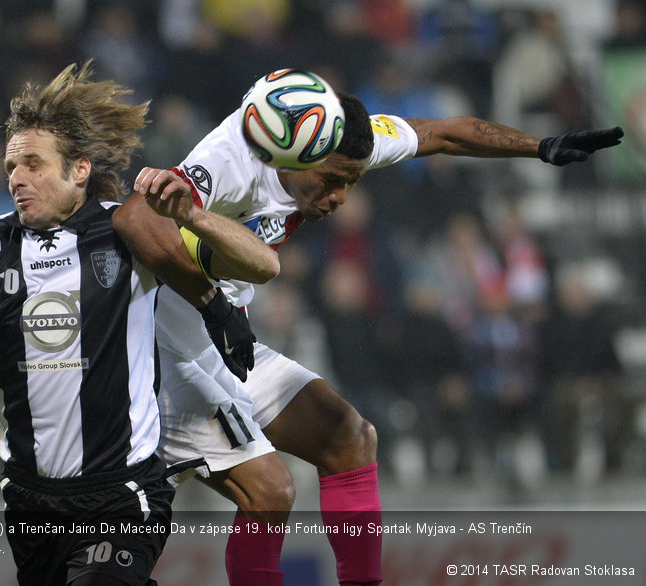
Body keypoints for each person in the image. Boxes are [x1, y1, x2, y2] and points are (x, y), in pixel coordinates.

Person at [117, 83, 624, 586]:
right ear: (294, 157)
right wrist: (212, 305)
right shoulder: (234, 157)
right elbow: (135, 218)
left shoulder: (339, 142)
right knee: (269, 492)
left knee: (349, 437)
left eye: (353, 182)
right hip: (164, 354)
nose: (340, 197)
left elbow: (443, 134)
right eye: (333, 180)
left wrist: (538, 147)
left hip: (219, 345)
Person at [0, 62, 278, 586]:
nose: (17, 178)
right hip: (30, 501)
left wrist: (195, 217)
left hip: (121, 491)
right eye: (11, 166)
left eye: (34, 164)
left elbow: (262, 265)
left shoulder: (127, 229)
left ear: (79, 169)